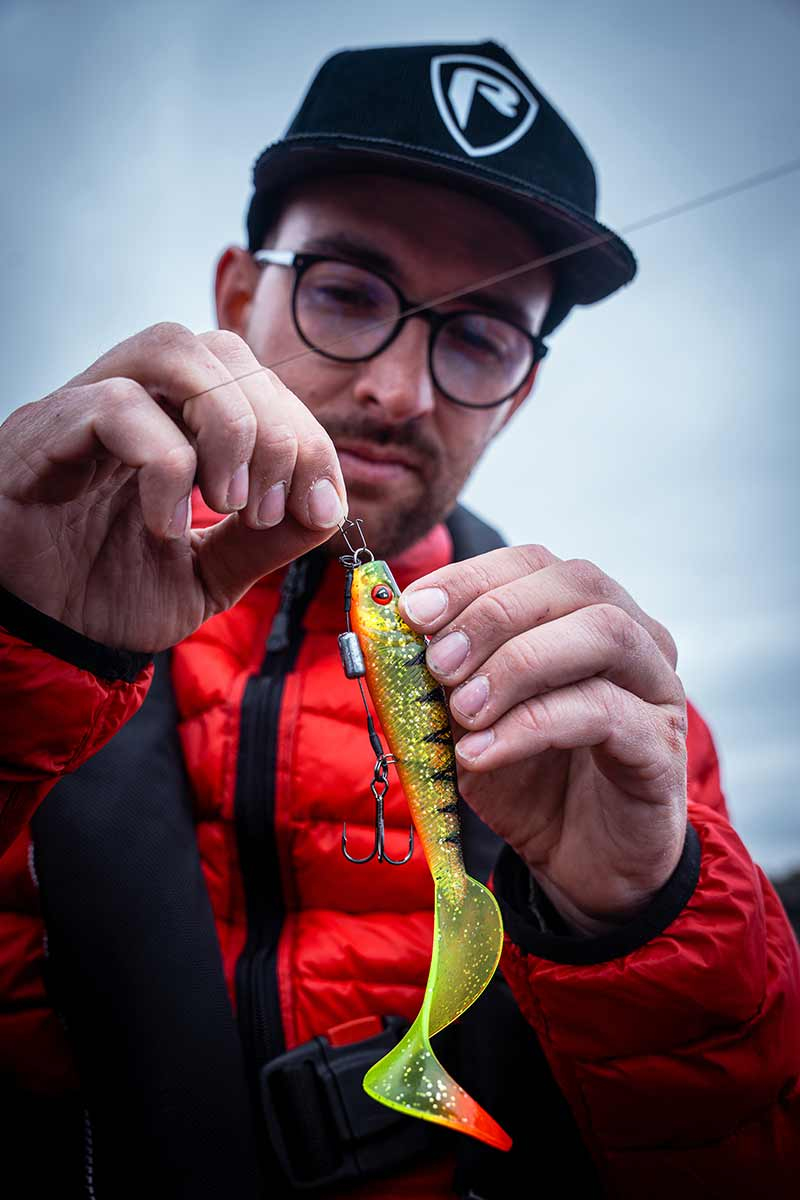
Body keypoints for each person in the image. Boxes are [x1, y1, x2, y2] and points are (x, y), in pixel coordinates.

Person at [0, 39, 797, 1200]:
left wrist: (640, 925)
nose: (398, 391)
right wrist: (17, 658)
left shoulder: (625, 731)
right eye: (345, 291)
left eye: (479, 336)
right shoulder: (25, 618)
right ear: (238, 295)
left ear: (520, 389)